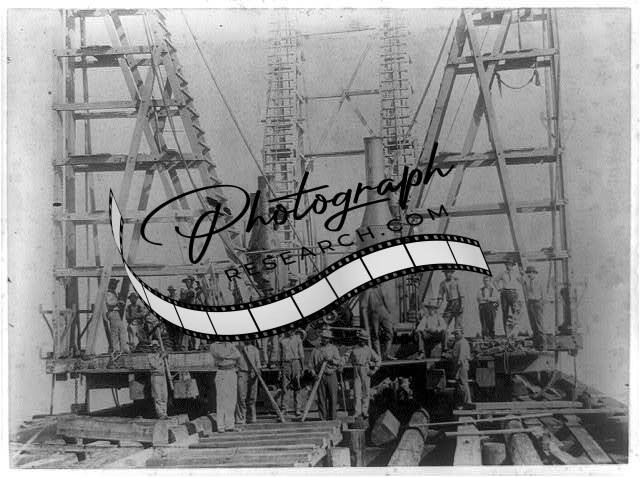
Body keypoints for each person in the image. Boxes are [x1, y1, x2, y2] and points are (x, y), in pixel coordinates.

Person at [309, 330, 342, 420]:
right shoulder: (315, 350)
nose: (324, 339)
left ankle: (332, 418)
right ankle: (323, 418)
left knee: (333, 397)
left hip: (331, 374)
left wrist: (332, 361)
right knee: (321, 398)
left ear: (329, 339)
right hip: (320, 376)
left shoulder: (334, 349)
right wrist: (314, 374)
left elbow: (339, 362)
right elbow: (310, 365)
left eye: (326, 338)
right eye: (323, 338)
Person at [347, 329, 380, 418]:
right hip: (356, 370)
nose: (363, 341)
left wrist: (374, 370)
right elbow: (346, 357)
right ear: (359, 339)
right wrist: (341, 364)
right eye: (361, 339)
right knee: (357, 392)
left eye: (364, 340)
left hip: (365, 369)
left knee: (366, 392)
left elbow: (378, 360)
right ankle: (357, 411)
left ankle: (365, 411)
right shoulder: (353, 349)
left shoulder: (369, 350)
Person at [210, 341, 242, 432]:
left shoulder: (230, 344)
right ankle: (221, 426)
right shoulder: (214, 345)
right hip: (222, 372)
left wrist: (226, 357)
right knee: (221, 400)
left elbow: (238, 355)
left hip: (231, 371)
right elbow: (219, 355)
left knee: (231, 400)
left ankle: (230, 425)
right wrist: (230, 355)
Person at [359, 285, 395, 360]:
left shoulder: (382, 288)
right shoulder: (367, 291)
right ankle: (379, 356)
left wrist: (390, 316)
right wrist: (366, 325)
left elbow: (387, 303)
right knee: (375, 335)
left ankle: (386, 353)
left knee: (390, 333)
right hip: (374, 314)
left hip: (384, 311)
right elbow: (364, 308)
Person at [278, 329, 305, 416]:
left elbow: (301, 354)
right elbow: (280, 355)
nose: (290, 331)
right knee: (285, 387)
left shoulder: (298, 339)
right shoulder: (282, 340)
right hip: (285, 364)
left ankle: (297, 409)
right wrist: (280, 369)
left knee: (297, 386)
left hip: (295, 362)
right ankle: (284, 409)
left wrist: (302, 367)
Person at [235, 340, 262, 425]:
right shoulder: (239, 349)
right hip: (242, 373)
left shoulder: (255, 350)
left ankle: (251, 417)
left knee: (252, 397)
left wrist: (257, 371)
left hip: (252, 373)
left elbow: (258, 365)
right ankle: (241, 418)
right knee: (241, 396)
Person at [437, 270, 464, 351]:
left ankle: (458, 347)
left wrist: (462, 305)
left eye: (449, 272)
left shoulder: (457, 281)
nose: (447, 274)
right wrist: (437, 307)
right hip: (449, 304)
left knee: (457, 327)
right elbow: (440, 296)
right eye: (446, 273)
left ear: (452, 273)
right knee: (443, 325)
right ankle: (445, 348)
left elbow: (462, 295)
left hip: (458, 303)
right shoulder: (442, 283)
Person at [496, 260, 523, 338]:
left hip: (513, 293)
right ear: (506, 265)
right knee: (505, 312)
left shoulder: (516, 273)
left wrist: (522, 275)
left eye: (510, 265)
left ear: (513, 265)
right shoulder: (502, 273)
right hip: (504, 293)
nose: (509, 266)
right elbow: (495, 281)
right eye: (508, 264)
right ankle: (507, 333)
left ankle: (515, 333)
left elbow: (522, 282)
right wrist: (499, 289)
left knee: (515, 312)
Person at [523, 265, 545, 349]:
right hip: (530, 303)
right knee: (533, 323)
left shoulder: (539, 282)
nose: (529, 274)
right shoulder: (527, 282)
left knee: (539, 323)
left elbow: (543, 294)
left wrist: (541, 303)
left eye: (531, 273)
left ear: (534, 273)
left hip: (537, 303)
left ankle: (542, 343)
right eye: (528, 273)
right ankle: (536, 341)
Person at [106, 279, 129, 353]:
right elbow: (109, 303)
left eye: (115, 284)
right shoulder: (109, 293)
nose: (115, 285)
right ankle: (115, 349)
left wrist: (120, 301)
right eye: (114, 284)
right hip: (112, 313)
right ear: (110, 285)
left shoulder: (114, 293)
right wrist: (118, 302)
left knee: (122, 330)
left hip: (116, 313)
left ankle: (123, 348)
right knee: (115, 331)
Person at [179, 276, 202, 351]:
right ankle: (187, 346)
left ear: (192, 282)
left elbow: (184, 299)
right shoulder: (188, 291)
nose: (187, 283)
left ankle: (194, 346)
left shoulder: (191, 291)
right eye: (186, 282)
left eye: (188, 282)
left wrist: (183, 295)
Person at [452, 328, 471, 405]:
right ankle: (465, 401)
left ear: (462, 333)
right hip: (459, 364)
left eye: (457, 333)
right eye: (454, 334)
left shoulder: (462, 342)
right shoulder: (458, 342)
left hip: (461, 365)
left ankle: (468, 401)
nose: (455, 335)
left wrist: (458, 366)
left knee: (463, 382)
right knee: (461, 383)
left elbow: (461, 355)